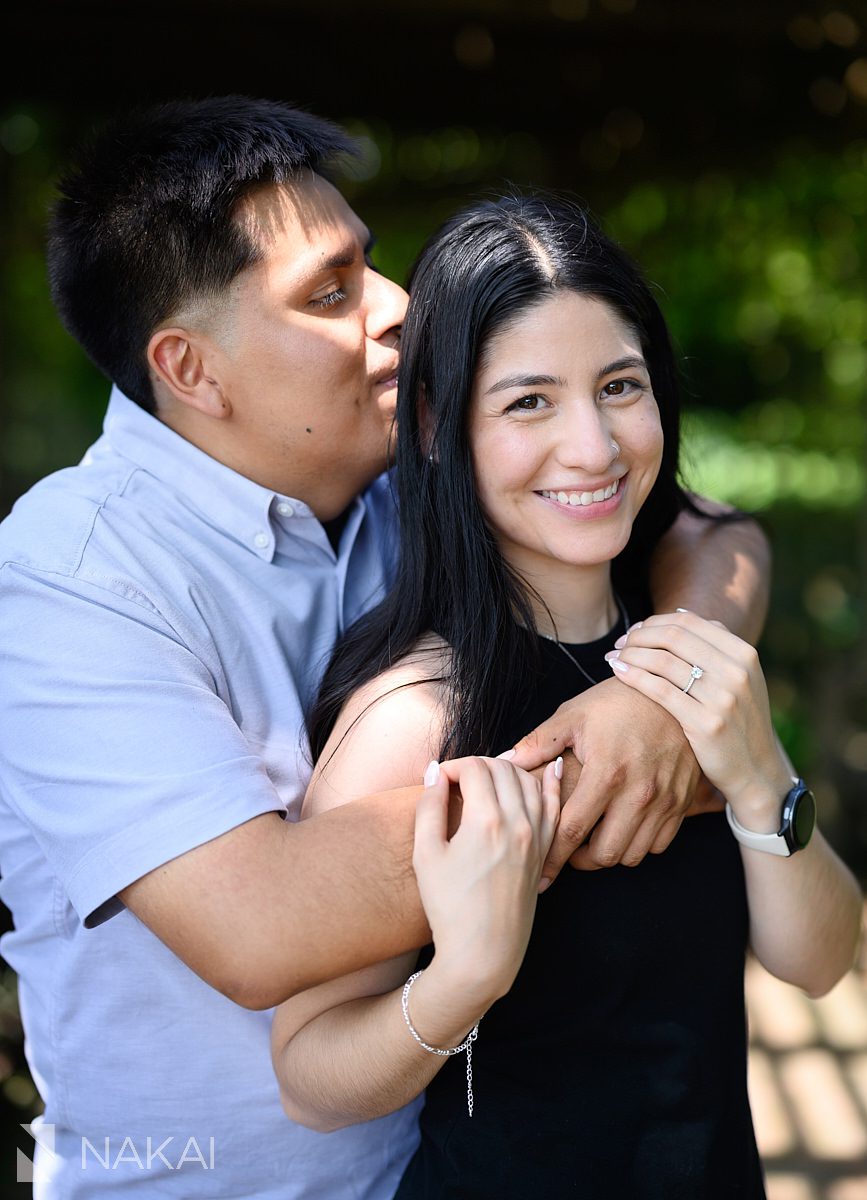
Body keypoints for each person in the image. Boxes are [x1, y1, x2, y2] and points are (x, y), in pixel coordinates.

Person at [0, 96, 769, 1198]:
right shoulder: (66, 585)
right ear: (192, 370)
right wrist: (638, 754)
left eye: (370, 265)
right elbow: (261, 922)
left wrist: (657, 691)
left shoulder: (409, 480)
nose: (397, 306)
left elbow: (709, 530)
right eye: (329, 292)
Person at [271, 194, 863, 1198]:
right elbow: (308, 1076)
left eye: (620, 386)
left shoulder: (687, 651)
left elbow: (819, 962)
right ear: (433, 424)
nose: (593, 447)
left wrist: (764, 779)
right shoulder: (415, 715)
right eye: (529, 401)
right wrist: (465, 979)